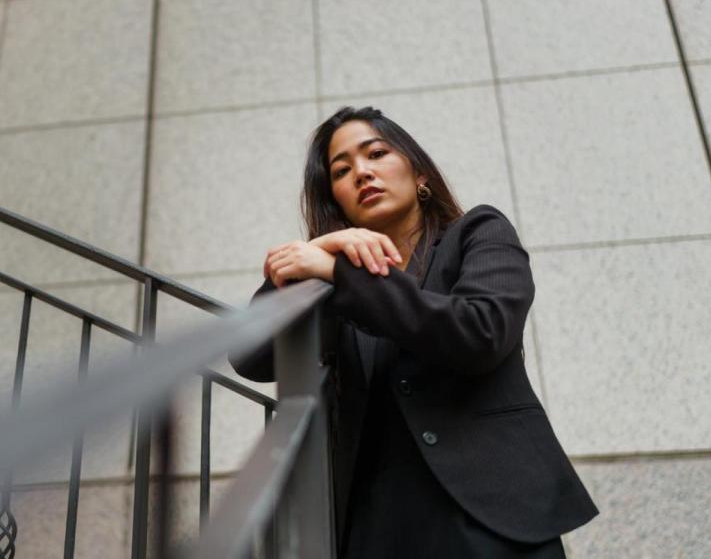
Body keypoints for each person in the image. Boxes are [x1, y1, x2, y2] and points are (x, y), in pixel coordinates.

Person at [229, 107, 597, 558]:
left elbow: (481, 333)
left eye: (377, 153)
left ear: (418, 171)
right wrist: (318, 251)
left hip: (491, 515)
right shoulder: (326, 278)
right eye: (341, 171)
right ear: (336, 200)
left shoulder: (478, 233)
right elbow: (249, 356)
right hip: (378, 527)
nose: (361, 172)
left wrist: (340, 275)